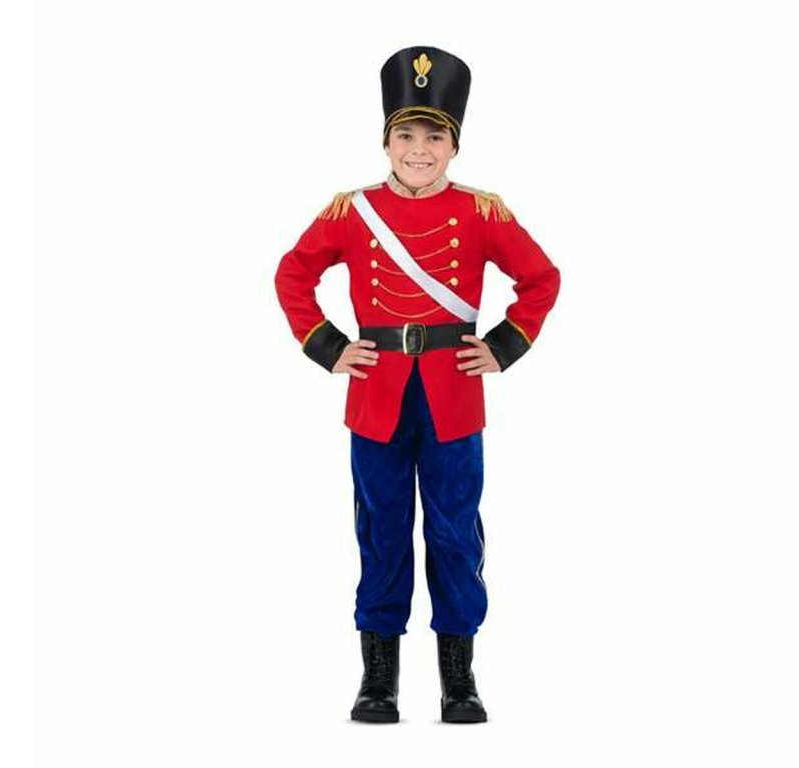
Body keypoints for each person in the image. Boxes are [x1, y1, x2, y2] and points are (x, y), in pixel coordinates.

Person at [274, 45, 561, 724]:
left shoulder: (482, 212)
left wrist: (503, 345)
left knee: (455, 532)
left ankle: (459, 680)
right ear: (387, 142)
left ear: (454, 146)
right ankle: (379, 679)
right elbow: (293, 274)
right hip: (375, 392)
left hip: (452, 394)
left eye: (435, 137)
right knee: (382, 531)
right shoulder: (351, 211)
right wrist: (329, 346)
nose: (419, 150)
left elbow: (541, 278)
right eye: (406, 136)